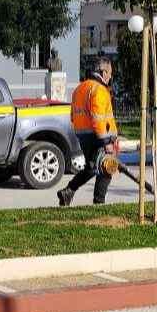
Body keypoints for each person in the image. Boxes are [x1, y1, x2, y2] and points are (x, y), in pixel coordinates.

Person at [57, 57, 119, 206]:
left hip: (83, 135)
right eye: (109, 73)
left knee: (91, 168)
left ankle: (68, 191)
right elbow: (98, 118)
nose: (110, 76)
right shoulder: (99, 90)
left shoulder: (80, 88)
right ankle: (99, 203)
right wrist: (106, 142)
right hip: (98, 136)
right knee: (107, 168)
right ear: (103, 72)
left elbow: (73, 115)